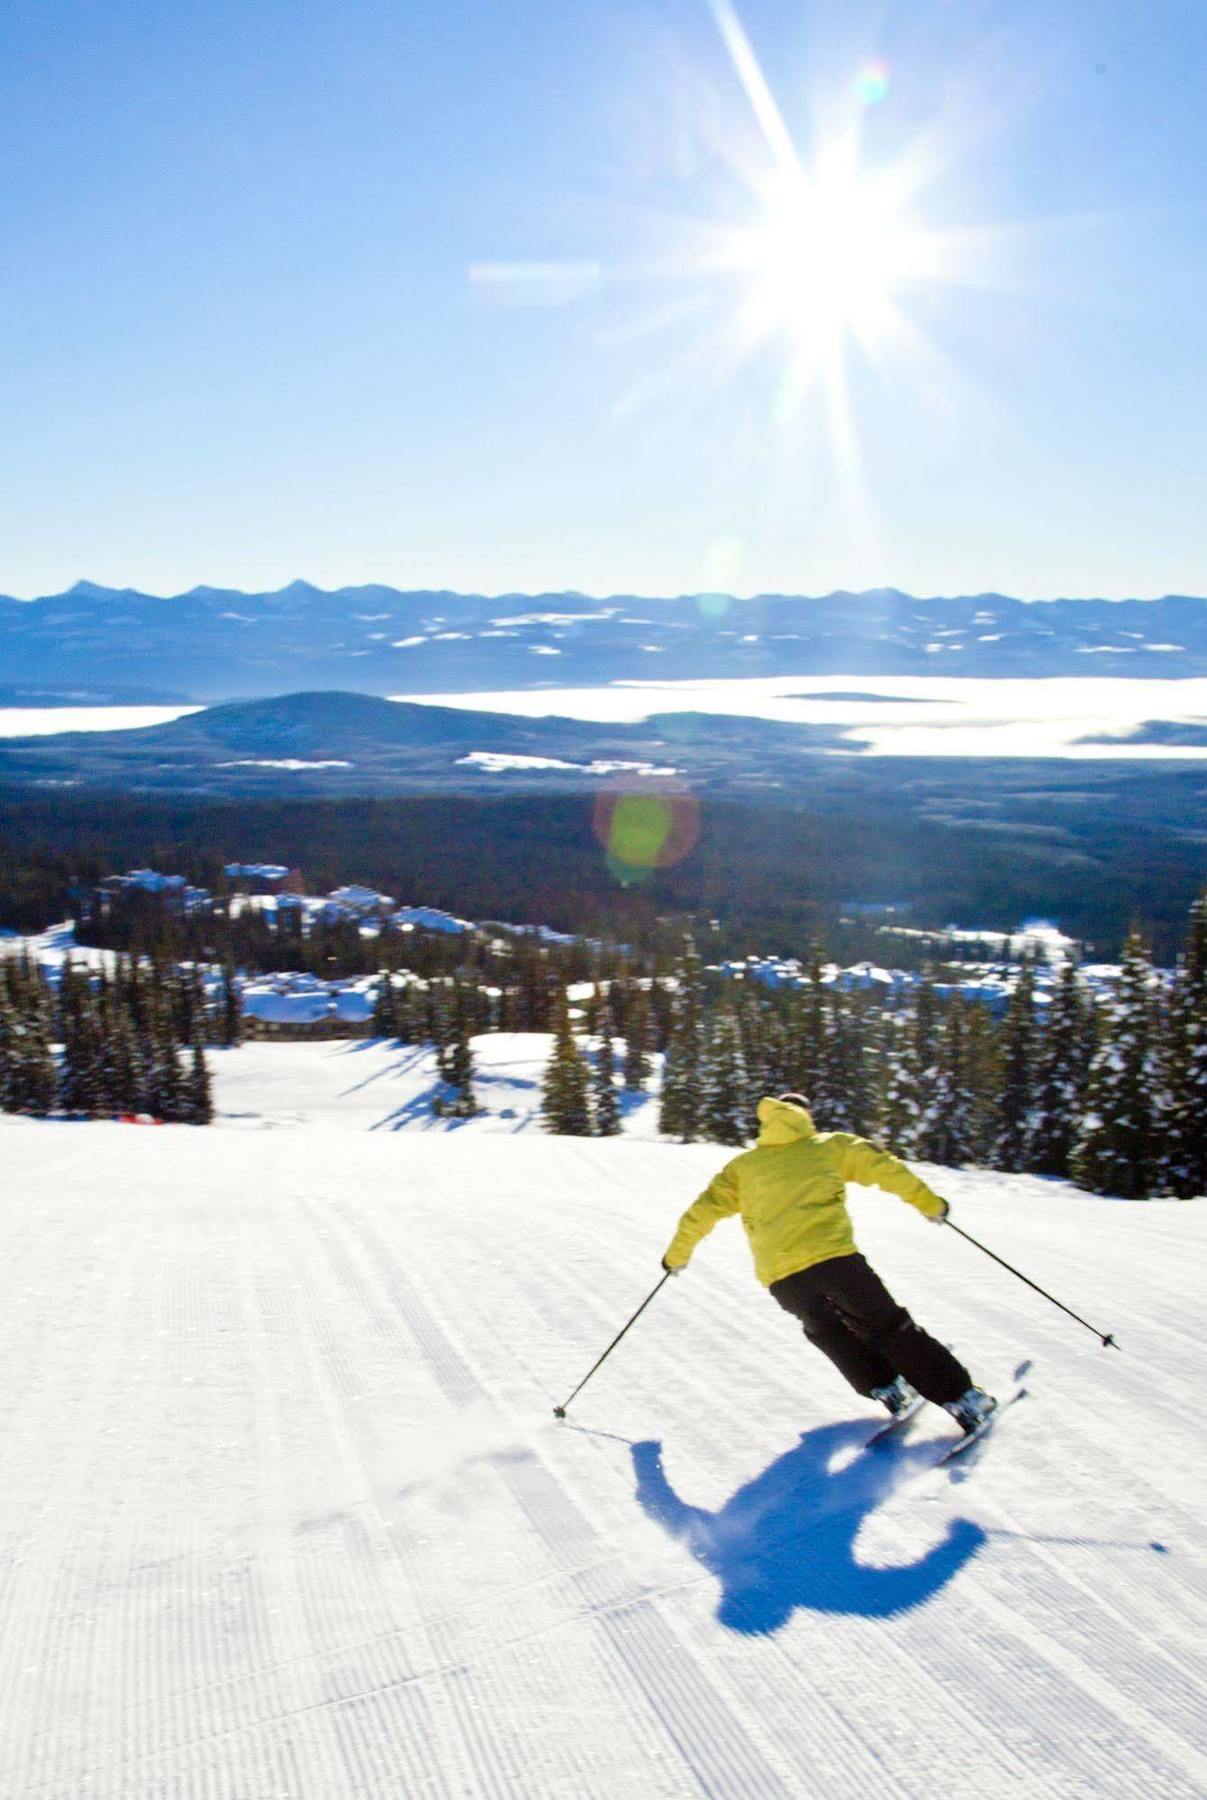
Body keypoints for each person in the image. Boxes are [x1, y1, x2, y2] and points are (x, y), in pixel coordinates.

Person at [660, 1093, 996, 1435]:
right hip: (835, 1261)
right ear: (804, 1116)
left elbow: (699, 1214)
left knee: (828, 1331)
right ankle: (965, 1401)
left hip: (783, 1279)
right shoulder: (828, 1146)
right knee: (887, 1327)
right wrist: (930, 1205)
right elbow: (886, 1168)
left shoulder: (742, 1168)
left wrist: (676, 1258)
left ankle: (889, 1388)